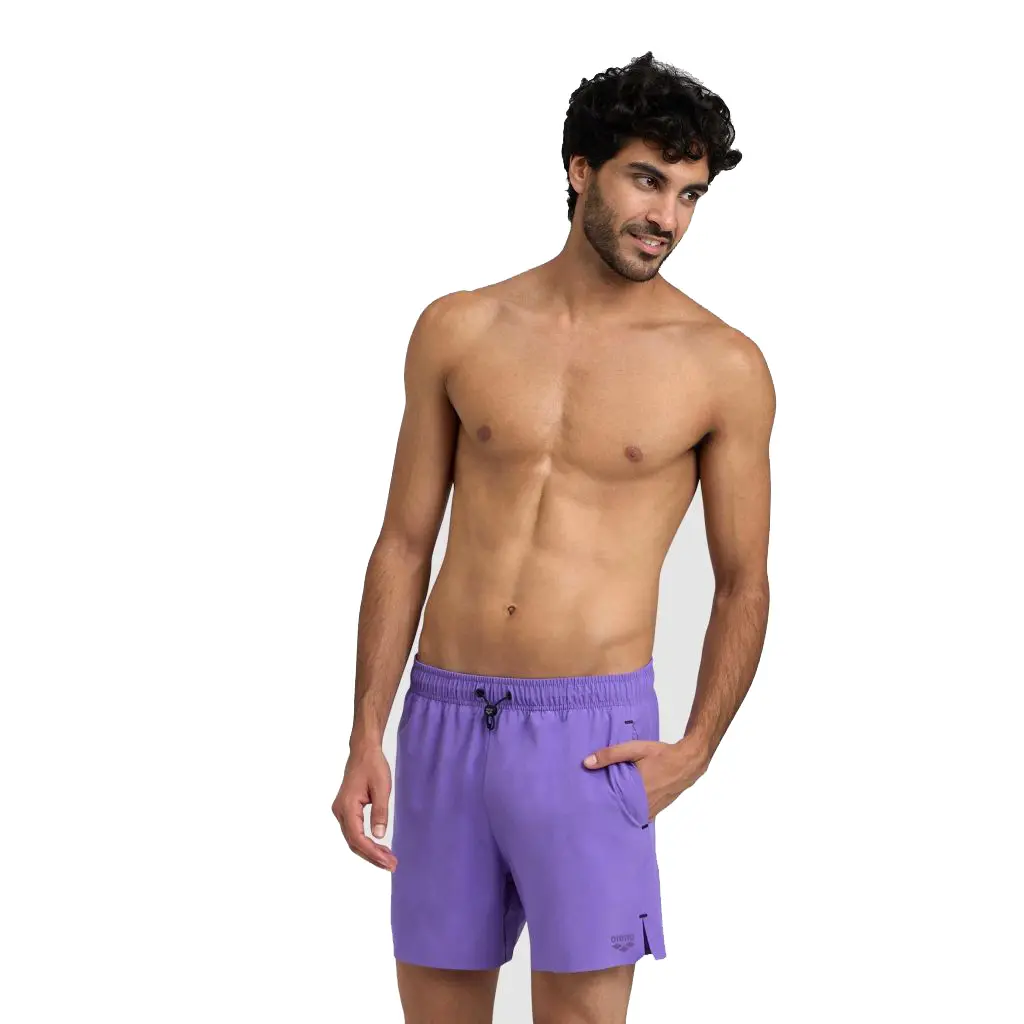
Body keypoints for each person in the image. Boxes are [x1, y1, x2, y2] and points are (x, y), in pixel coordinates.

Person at [332, 51, 774, 1024]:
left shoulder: (722, 366)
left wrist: (697, 747)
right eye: (647, 180)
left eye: (690, 194)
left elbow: (744, 581)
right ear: (580, 168)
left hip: (592, 740)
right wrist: (367, 727)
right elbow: (403, 542)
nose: (668, 217)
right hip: (443, 719)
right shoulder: (459, 327)